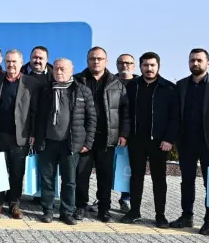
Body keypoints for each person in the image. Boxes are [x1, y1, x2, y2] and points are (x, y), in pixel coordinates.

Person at [32, 58, 96, 225]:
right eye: (56, 69)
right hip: (47, 142)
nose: (59, 72)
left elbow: (91, 119)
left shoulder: (82, 90)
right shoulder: (45, 89)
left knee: (69, 181)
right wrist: (35, 136)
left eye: (63, 69)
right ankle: (48, 210)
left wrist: (88, 142)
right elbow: (36, 115)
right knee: (47, 179)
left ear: (71, 71)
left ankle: (67, 212)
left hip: (70, 144)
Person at [173, 48, 209, 235]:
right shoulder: (181, 85)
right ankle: (186, 215)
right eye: (192, 60)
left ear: (208, 63)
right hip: (186, 142)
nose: (195, 63)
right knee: (186, 182)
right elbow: (176, 115)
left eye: (199, 60)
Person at [122, 52, 179, 227]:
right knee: (136, 177)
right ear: (140, 67)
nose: (149, 68)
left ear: (158, 66)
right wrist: (125, 134)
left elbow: (175, 117)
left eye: (152, 65)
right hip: (136, 140)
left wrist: (169, 139)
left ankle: (160, 215)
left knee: (159, 179)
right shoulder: (132, 87)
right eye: (145, 65)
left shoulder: (169, 88)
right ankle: (134, 211)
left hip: (159, 142)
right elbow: (125, 113)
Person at [73, 47, 129, 222]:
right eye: (92, 58)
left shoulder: (116, 83)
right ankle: (80, 206)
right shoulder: (77, 81)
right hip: (83, 138)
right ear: (87, 61)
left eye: (99, 58)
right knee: (81, 175)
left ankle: (104, 209)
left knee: (105, 177)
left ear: (106, 61)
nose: (96, 61)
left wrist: (124, 134)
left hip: (107, 138)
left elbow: (125, 112)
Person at [0, 50, 41, 218]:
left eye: (14, 61)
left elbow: (35, 111)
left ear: (21, 62)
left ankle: (14, 203)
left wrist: (33, 133)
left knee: (17, 172)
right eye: (8, 61)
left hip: (21, 136)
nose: (11, 64)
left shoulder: (31, 83)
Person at [114, 53, 137, 212]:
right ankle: (101, 199)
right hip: (111, 131)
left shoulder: (139, 83)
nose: (125, 65)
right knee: (107, 167)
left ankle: (126, 198)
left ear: (134, 66)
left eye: (128, 63)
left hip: (133, 133)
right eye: (121, 63)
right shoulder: (110, 81)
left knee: (127, 168)